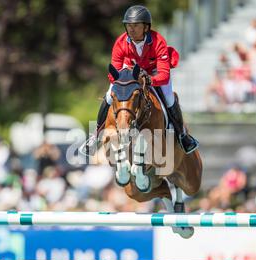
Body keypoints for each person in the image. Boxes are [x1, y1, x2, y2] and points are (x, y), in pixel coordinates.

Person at [80, 5, 199, 156]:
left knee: (169, 99)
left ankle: (182, 135)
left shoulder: (158, 41)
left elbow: (164, 75)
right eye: (129, 25)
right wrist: (128, 79)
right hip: (130, 73)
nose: (131, 29)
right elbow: (113, 75)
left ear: (146, 27)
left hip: (154, 72)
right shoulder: (121, 43)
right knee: (109, 95)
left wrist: (148, 80)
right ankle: (95, 135)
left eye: (136, 25)